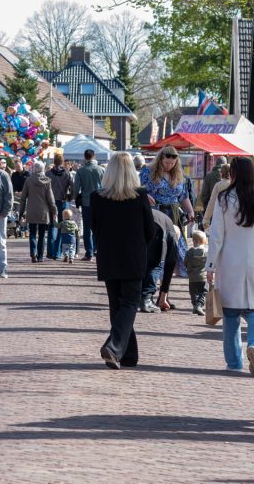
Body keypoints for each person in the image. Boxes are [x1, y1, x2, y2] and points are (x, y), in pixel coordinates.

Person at [206, 157, 254, 377]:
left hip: (229, 261)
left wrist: (210, 264)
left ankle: (234, 361)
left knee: (230, 315)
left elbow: (217, 235)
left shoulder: (224, 199)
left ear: (234, 174)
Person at [91, 152, 156, 369]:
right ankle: (114, 347)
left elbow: (94, 228)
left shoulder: (96, 197)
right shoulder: (140, 196)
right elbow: (150, 231)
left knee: (117, 305)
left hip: (109, 257)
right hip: (133, 257)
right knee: (128, 304)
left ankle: (127, 355)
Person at [140, 145, 194, 274]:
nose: (169, 166)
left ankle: (174, 272)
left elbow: (183, 195)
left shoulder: (178, 172)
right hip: (155, 212)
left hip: (174, 213)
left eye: (172, 163)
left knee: (177, 244)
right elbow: (139, 189)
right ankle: (156, 271)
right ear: (160, 160)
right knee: (157, 244)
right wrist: (145, 195)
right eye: (166, 163)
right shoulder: (148, 171)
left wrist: (190, 211)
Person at [19, 161, 58, 263]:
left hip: (31, 210)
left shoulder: (28, 180)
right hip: (43, 212)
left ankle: (33, 254)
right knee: (41, 235)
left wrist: (21, 212)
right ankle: (40, 256)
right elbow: (51, 199)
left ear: (34, 169)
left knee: (32, 233)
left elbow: (23, 198)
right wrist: (54, 210)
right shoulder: (47, 180)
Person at [142, 209, 179, 313]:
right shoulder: (171, 233)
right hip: (156, 227)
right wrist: (163, 296)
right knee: (155, 264)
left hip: (137, 222)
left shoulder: (165, 221)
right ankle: (146, 300)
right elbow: (169, 265)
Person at [74, 149, 105, 261]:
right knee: (98, 227)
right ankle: (97, 249)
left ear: (85, 157)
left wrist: (75, 197)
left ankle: (89, 252)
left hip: (86, 201)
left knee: (87, 228)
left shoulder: (81, 171)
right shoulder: (101, 170)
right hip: (100, 201)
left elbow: (76, 188)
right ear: (94, 156)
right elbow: (106, 186)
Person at [46, 154, 74, 260]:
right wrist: (69, 197)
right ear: (62, 161)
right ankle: (57, 252)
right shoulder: (67, 173)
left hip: (51, 202)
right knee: (62, 227)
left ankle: (50, 252)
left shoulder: (48, 173)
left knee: (52, 226)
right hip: (62, 201)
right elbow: (73, 187)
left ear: (54, 161)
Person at [184, 230, 209, 315]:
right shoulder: (206, 252)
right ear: (204, 241)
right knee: (204, 292)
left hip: (192, 278)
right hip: (203, 277)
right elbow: (210, 264)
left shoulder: (189, 252)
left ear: (193, 241)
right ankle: (198, 306)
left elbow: (185, 263)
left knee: (193, 293)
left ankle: (195, 305)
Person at [202, 164, 231, 230]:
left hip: (220, 215)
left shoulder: (218, 185)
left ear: (221, 174)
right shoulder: (235, 185)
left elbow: (212, 202)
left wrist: (206, 219)